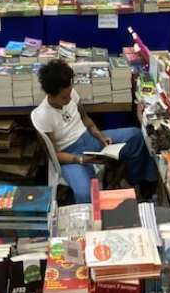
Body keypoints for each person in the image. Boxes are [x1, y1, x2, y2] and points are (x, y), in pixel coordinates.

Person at [31, 60, 157, 203]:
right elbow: (55, 155)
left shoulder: (71, 93)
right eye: (64, 97)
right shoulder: (43, 115)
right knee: (86, 193)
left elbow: (85, 118)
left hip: (88, 139)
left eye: (69, 94)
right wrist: (80, 159)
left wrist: (100, 135)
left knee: (136, 136)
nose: (68, 99)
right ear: (50, 94)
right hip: (69, 154)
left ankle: (134, 182)